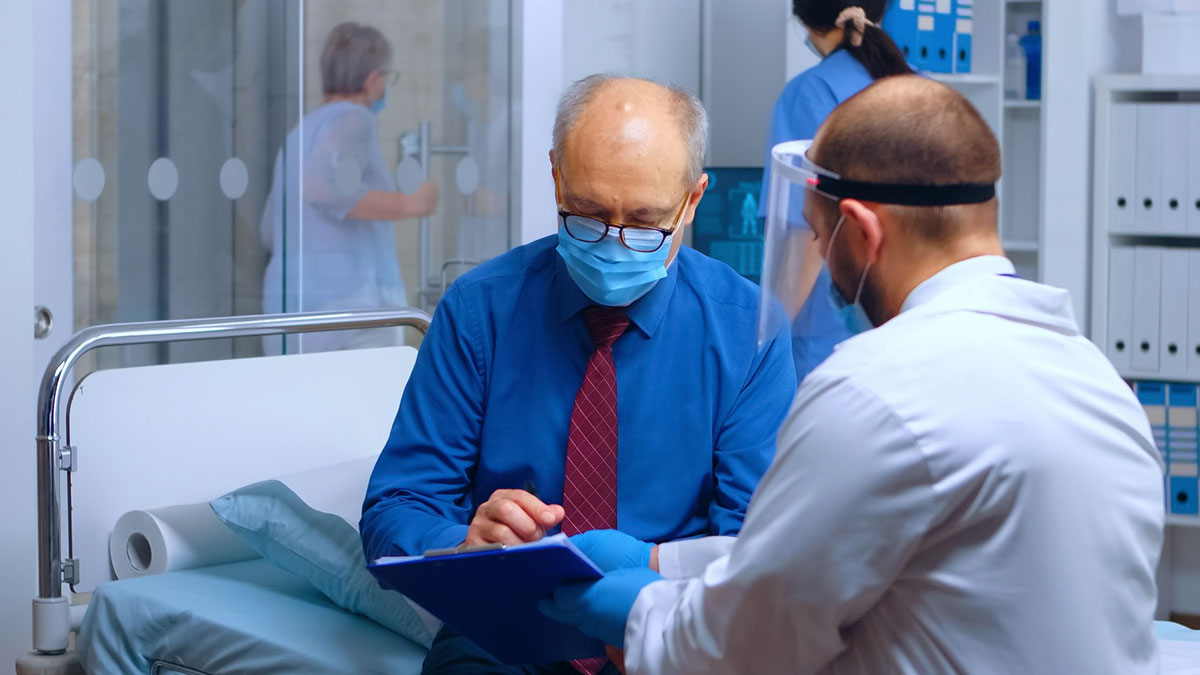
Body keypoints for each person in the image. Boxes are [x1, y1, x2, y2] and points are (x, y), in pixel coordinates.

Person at [542, 76, 1165, 674]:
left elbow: (751, 647)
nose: (821, 260)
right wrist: (661, 560)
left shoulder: (876, 389)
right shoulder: (1098, 383)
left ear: (863, 232)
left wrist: (639, 614)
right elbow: (865, 555)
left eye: (817, 235)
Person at [360, 75, 796, 674]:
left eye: (645, 224)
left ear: (692, 201)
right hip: (502, 633)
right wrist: (462, 546)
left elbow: (758, 550)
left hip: (669, 629)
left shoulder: (750, 332)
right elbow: (395, 508)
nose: (614, 245)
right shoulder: (480, 311)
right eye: (587, 216)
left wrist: (648, 571)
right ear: (557, 178)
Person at [260, 22, 438, 353]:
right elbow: (318, 186)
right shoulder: (353, 118)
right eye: (388, 76)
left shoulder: (302, 130)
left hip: (292, 310)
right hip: (346, 315)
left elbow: (271, 228)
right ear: (372, 79)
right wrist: (410, 203)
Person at [761, 1, 911, 381]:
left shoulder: (811, 93)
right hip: (912, 333)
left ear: (808, 24)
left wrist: (761, 343)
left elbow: (808, 237)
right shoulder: (924, 90)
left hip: (829, 348)